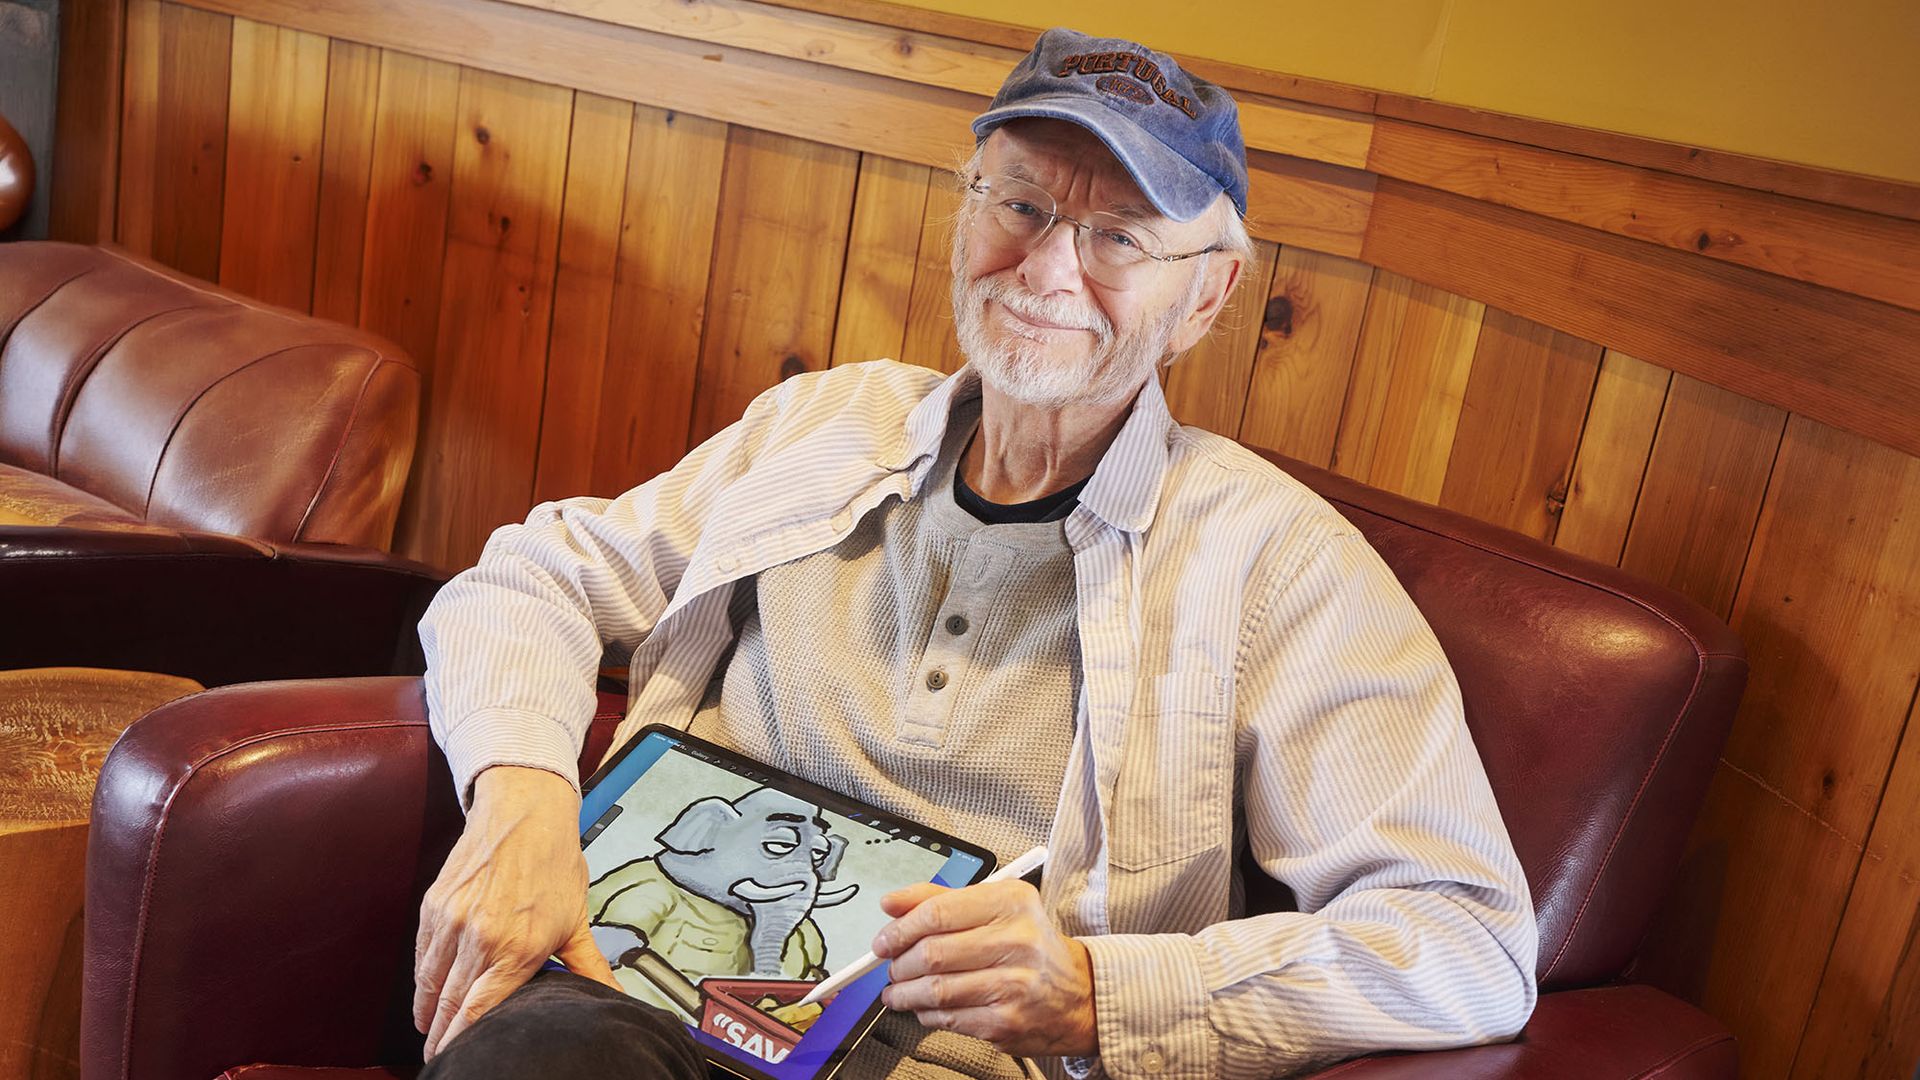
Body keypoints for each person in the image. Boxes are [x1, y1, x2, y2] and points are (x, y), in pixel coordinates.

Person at [411, 26, 1538, 1080]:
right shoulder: (829, 422)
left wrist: (1100, 992)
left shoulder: (1275, 565)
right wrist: (521, 803)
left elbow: (1464, 939)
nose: (1049, 269)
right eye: (1025, 204)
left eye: (1119, 238)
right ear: (965, 212)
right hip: (623, 1007)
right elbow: (534, 575)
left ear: (1207, 295)